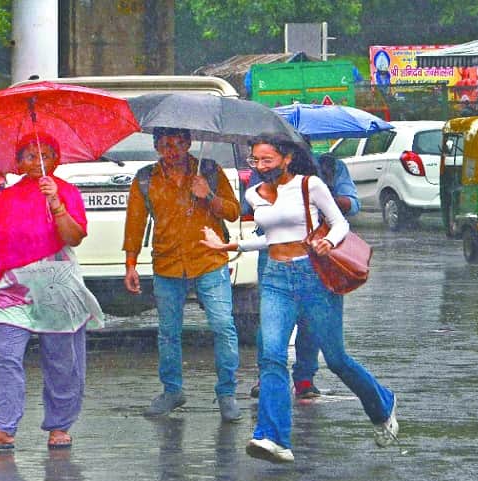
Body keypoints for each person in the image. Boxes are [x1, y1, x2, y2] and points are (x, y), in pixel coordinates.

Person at [201, 134, 398, 463]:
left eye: (267, 160)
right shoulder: (254, 194)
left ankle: (382, 405)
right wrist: (228, 247)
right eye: (255, 161)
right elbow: (270, 240)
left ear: (287, 158)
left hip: (314, 276)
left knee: (336, 360)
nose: (261, 167)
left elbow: (340, 224)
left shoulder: (310, 186)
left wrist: (328, 243)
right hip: (276, 279)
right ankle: (272, 437)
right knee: (272, 357)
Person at [0, 133, 103, 451]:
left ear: (57, 159)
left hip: (57, 286)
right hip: (12, 288)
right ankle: (2, 428)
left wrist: (55, 204)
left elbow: (74, 236)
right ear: (19, 162)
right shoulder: (6, 201)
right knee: (3, 352)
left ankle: (60, 427)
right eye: (28, 155)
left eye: (46, 154)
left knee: (62, 360)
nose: (37, 161)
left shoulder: (67, 192)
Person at [123, 127, 243, 422]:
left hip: (209, 259)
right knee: (168, 333)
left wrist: (208, 196)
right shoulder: (144, 178)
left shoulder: (210, 170)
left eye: (178, 144)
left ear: (189, 143)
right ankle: (172, 390)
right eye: (165, 145)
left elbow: (233, 211)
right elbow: (135, 222)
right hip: (167, 263)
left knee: (223, 325)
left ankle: (227, 392)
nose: (172, 150)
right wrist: (130, 264)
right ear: (156, 147)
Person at [247, 149, 360, 401]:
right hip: (273, 253)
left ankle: (305, 377)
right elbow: (248, 206)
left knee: (312, 324)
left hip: (317, 253)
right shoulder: (265, 170)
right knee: (270, 321)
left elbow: (352, 204)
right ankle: (269, 376)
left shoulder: (329, 167)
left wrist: (320, 198)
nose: (263, 164)